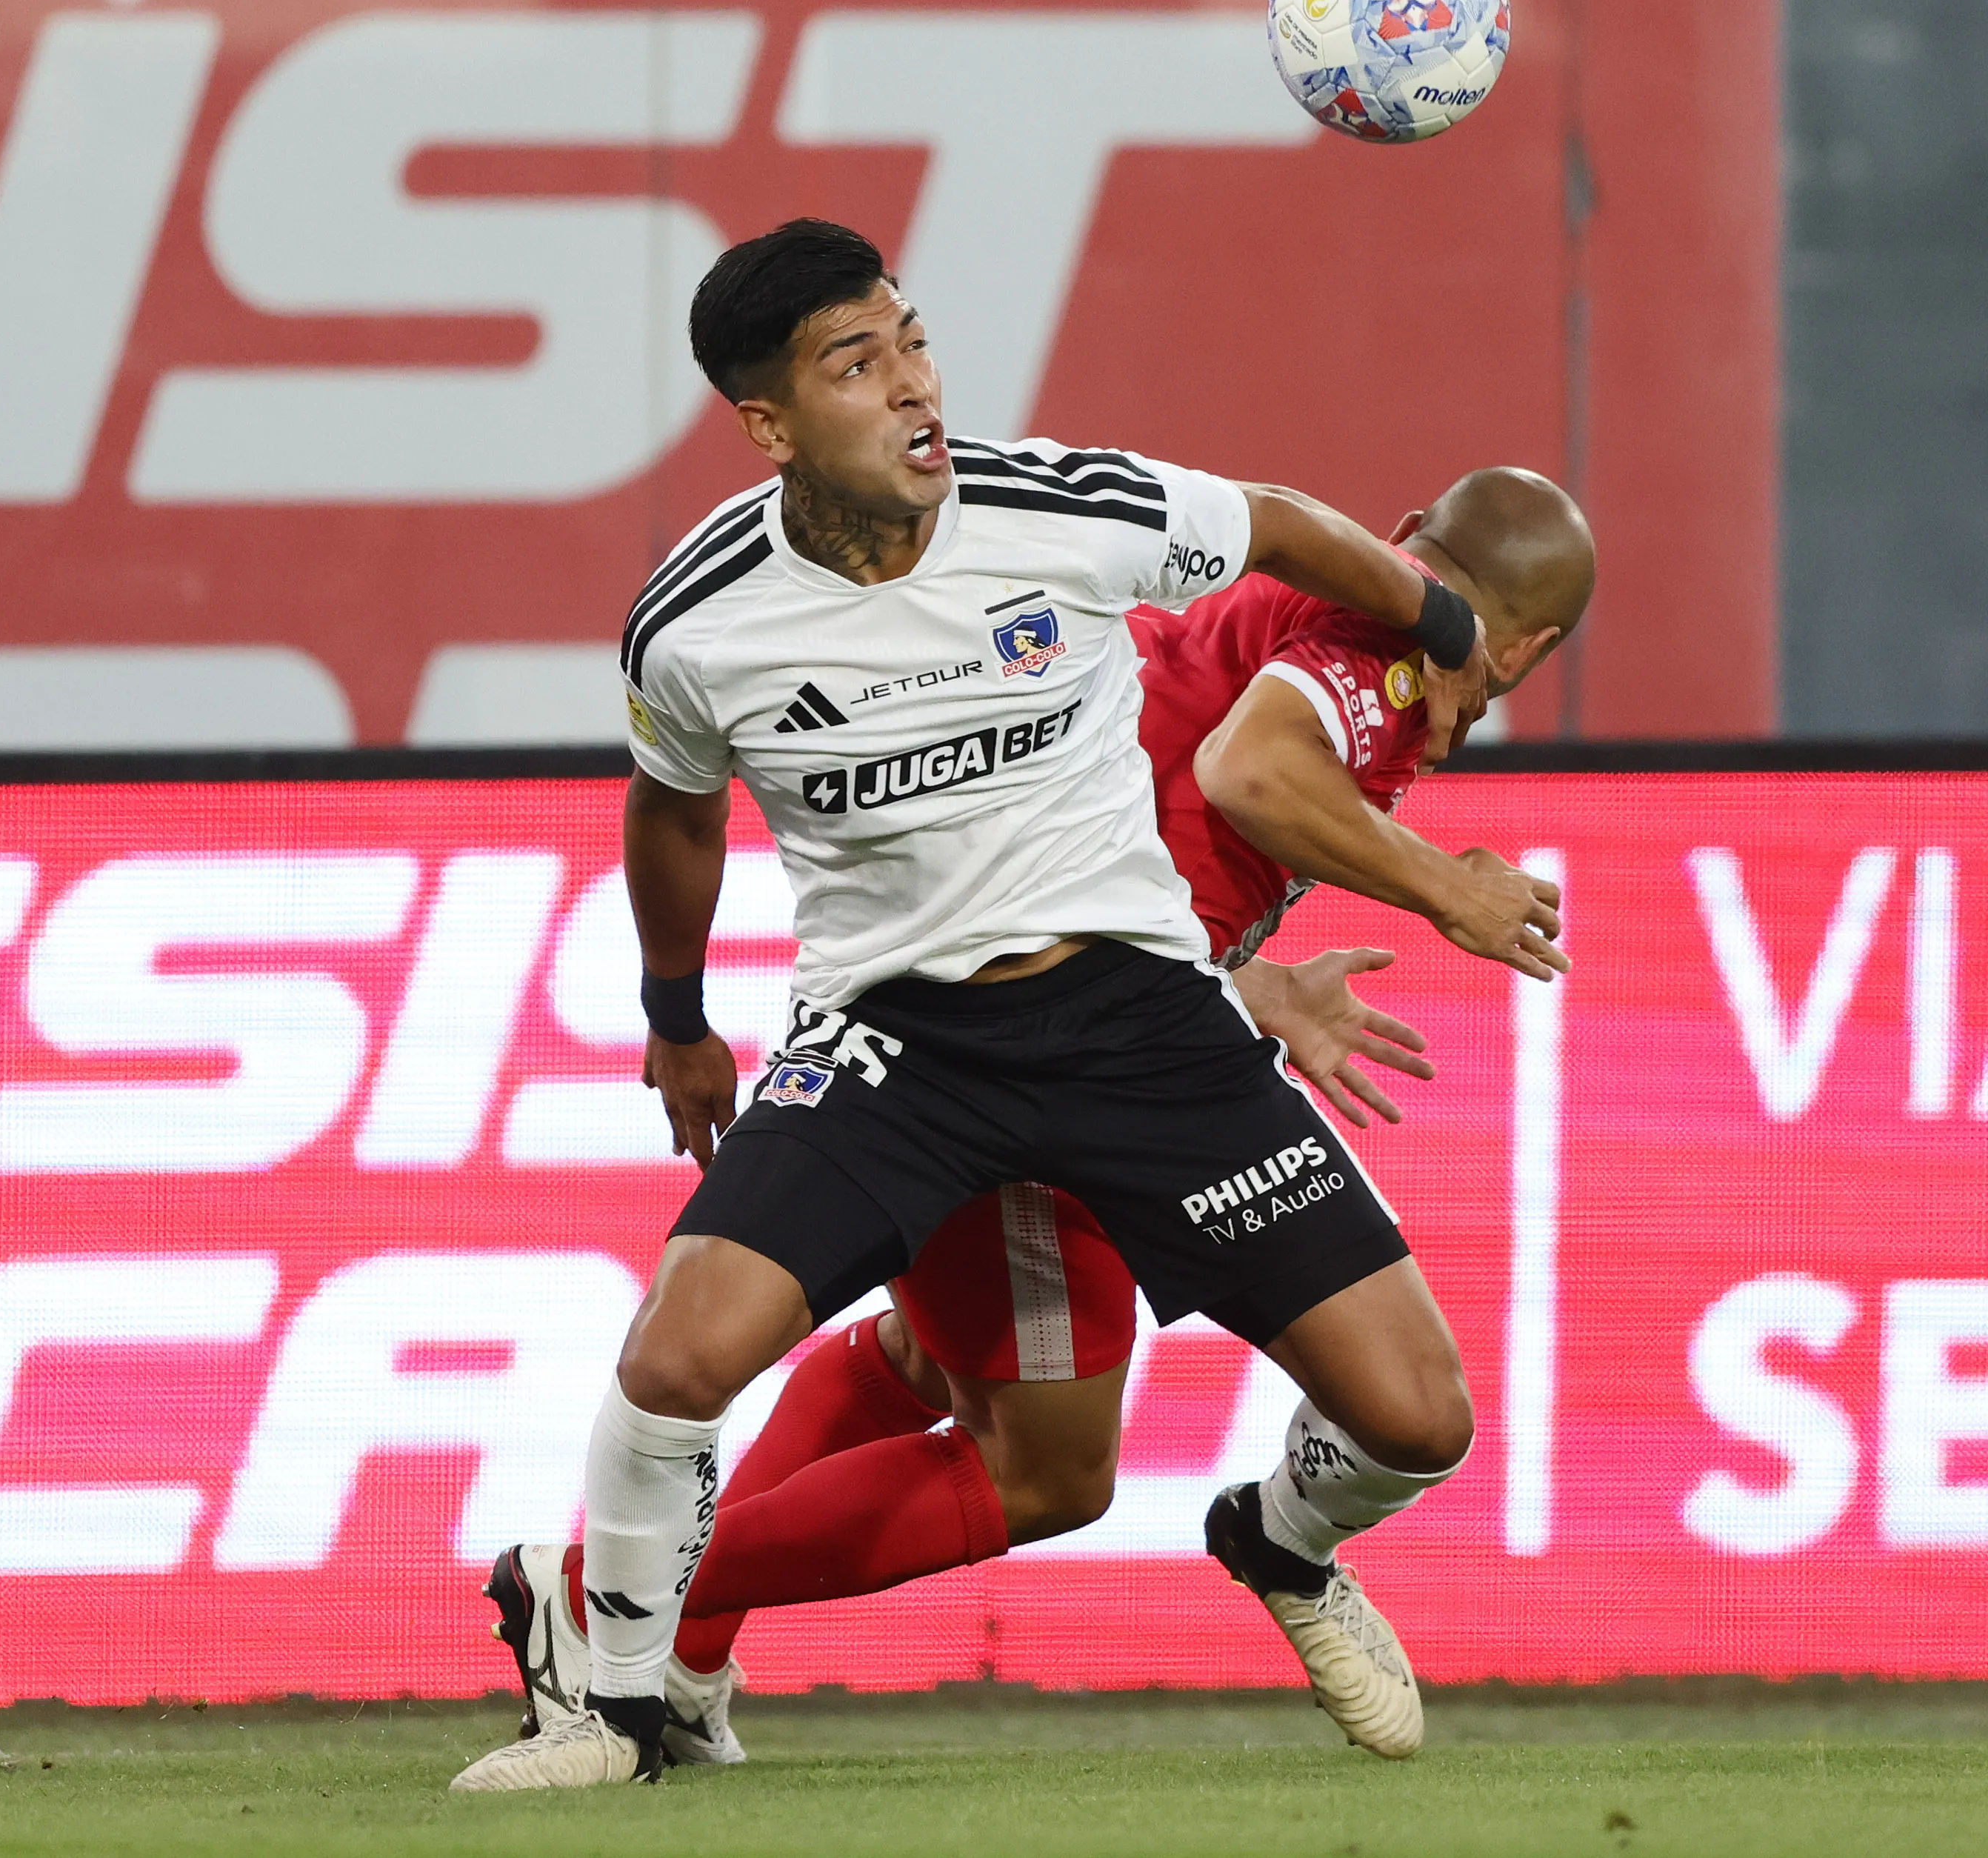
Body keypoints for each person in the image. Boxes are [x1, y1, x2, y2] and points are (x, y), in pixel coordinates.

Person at [450, 219, 1557, 1793]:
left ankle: (1282, 1534)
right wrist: (676, 1012)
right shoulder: (693, 622)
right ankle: (616, 1699)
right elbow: (674, 810)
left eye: (910, 340)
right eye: (857, 363)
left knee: (1417, 1413)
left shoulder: (1061, 507)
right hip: (896, 1040)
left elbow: (1279, 525)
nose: (911, 387)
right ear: (769, 424)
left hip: (1141, 1025)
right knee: (678, 1356)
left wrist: (1436, 622)